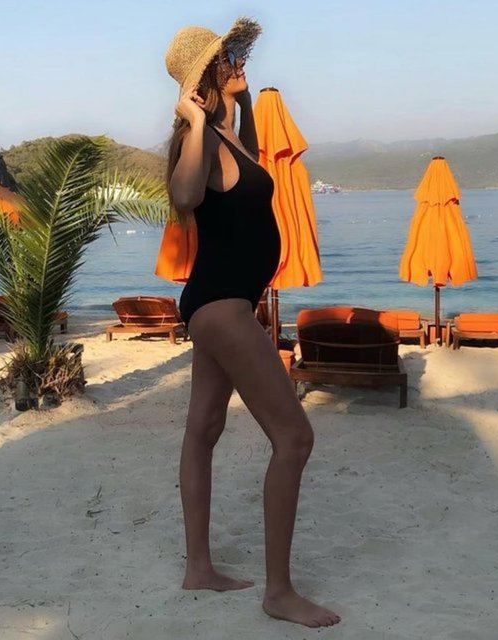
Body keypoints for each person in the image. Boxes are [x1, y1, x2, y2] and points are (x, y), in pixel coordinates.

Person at [163, 18, 341, 628]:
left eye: (239, 52)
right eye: (228, 56)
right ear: (204, 75)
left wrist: (240, 104)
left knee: (203, 429)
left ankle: (198, 568)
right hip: (222, 305)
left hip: (225, 299)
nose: (240, 60)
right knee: (295, 438)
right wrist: (193, 122)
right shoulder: (202, 141)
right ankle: (279, 592)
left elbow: (254, 162)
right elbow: (185, 197)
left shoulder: (231, 135)